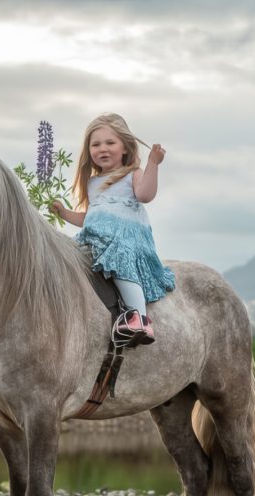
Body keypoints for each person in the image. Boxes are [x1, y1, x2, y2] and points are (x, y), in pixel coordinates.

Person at [52, 113, 175, 345]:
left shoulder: (132, 174)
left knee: (120, 259)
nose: (102, 149)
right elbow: (91, 218)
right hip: (97, 239)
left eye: (110, 143)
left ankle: (138, 317)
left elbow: (145, 195)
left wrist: (153, 164)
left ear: (125, 147)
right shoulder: (93, 183)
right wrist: (64, 213)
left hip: (127, 239)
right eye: (96, 144)